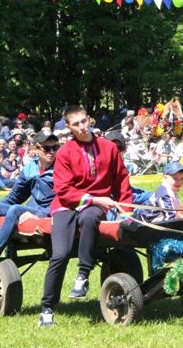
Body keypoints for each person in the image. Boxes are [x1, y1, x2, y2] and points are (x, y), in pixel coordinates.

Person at [39, 106, 133, 328]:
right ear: (69, 128)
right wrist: (96, 199)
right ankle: (47, 308)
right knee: (60, 255)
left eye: (84, 121)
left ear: (89, 119)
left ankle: (83, 275)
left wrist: (126, 211)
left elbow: (121, 179)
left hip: (95, 206)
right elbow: (63, 190)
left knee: (91, 217)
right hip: (66, 206)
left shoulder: (109, 147)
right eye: (76, 124)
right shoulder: (64, 153)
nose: (82, 127)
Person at [0, 132, 58, 276]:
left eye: (55, 147)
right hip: (33, 208)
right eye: (47, 148)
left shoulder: (61, 169)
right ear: (35, 148)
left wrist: (45, 213)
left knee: (14, 210)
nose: (52, 152)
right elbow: (15, 196)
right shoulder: (30, 168)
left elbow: (65, 197)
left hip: (49, 211)